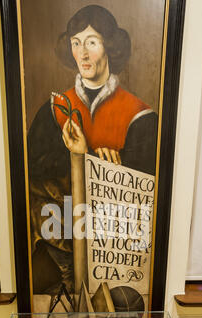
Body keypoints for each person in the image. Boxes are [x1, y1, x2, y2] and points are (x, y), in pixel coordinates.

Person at [27, 5, 158, 295]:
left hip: (117, 247)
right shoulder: (52, 112)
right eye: (76, 43)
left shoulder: (140, 116)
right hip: (61, 235)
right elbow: (35, 175)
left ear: (109, 46)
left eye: (92, 42)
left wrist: (109, 169)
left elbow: (145, 194)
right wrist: (88, 158)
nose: (83, 54)